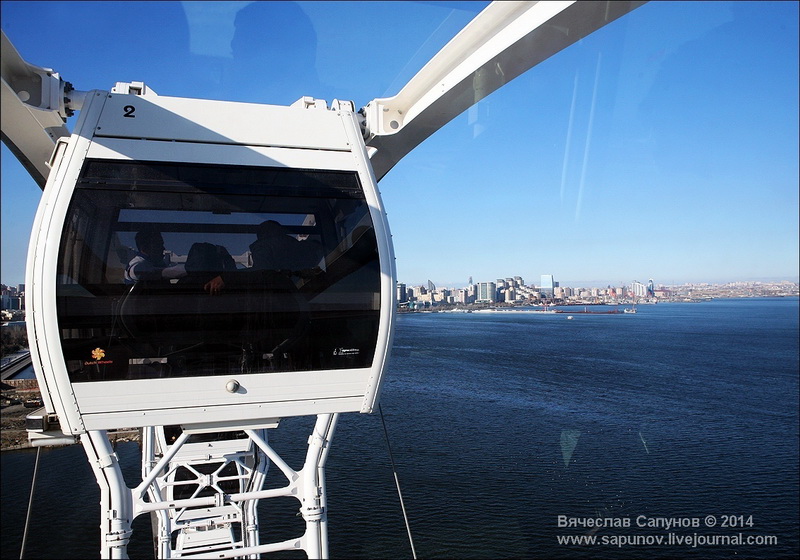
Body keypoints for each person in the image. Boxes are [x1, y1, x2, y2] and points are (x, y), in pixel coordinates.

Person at [125, 230, 224, 294]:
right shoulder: (136, 266)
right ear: (144, 247)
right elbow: (159, 273)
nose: (163, 248)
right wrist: (192, 268)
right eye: (158, 244)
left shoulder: (157, 264)